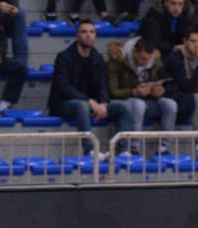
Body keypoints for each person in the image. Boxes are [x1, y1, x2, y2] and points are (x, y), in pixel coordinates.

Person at [48, 19, 133, 156]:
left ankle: (123, 151)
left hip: (92, 103)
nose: (88, 35)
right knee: (82, 106)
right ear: (77, 35)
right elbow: (63, 87)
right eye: (84, 32)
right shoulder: (64, 57)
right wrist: (88, 101)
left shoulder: (97, 58)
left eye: (92, 32)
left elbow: (103, 84)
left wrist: (103, 103)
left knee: (123, 107)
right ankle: (90, 150)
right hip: (64, 103)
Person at [107, 37, 178, 153]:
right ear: (134, 52)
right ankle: (134, 146)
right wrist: (134, 92)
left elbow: (163, 82)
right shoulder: (117, 62)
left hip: (148, 100)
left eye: (148, 59)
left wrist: (157, 91)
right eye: (142, 58)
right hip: (125, 101)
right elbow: (112, 91)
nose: (145, 62)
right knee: (139, 104)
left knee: (170, 104)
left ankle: (164, 147)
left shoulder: (155, 62)